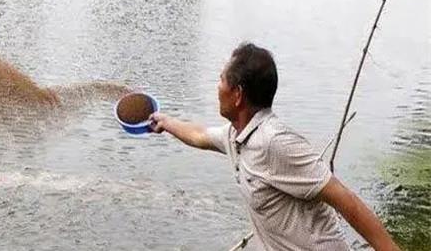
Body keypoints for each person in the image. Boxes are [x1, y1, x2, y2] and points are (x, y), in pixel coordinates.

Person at [149, 42, 400, 250]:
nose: (217, 86)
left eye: (221, 79)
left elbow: (348, 202)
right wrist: (166, 122)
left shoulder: (275, 143)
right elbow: (201, 135)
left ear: (237, 95)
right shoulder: (237, 136)